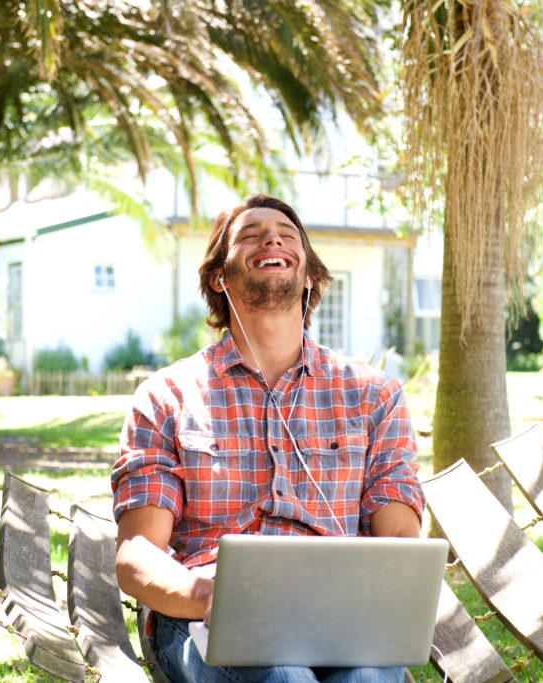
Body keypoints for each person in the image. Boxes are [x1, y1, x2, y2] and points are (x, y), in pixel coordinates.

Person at [111, 194, 426, 683]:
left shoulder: (374, 396)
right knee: (284, 675)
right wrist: (206, 596)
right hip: (200, 618)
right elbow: (137, 553)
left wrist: (388, 604)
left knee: (367, 674)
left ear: (309, 276)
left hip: (341, 616)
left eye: (286, 233)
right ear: (220, 276)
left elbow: (401, 539)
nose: (272, 238)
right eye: (251, 235)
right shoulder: (167, 397)